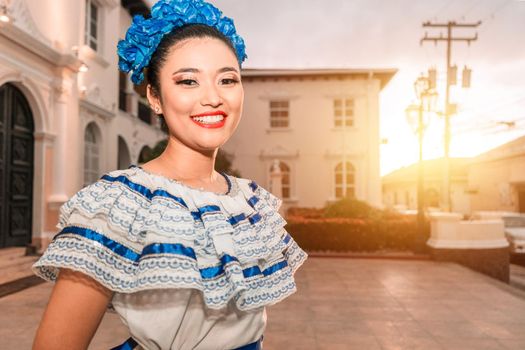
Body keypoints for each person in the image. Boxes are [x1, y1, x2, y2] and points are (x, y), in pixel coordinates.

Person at [31, 0, 307, 349]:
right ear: (155, 97)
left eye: (228, 79)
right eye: (188, 81)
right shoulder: (118, 206)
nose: (213, 97)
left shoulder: (248, 204)